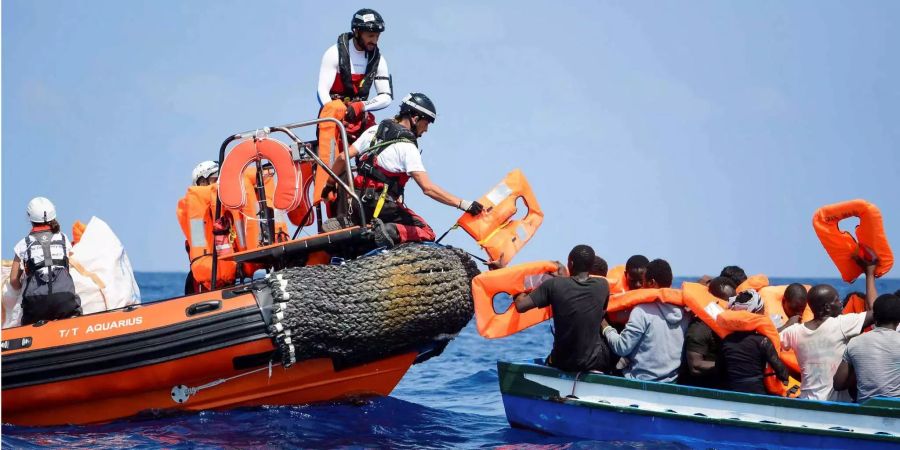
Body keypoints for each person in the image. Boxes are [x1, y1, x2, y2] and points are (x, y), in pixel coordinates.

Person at [323, 93, 483, 246]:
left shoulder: (374, 131)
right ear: (415, 118)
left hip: (355, 201)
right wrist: (462, 204)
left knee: (375, 212)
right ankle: (389, 230)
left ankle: (348, 221)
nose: (426, 130)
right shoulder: (407, 147)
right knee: (426, 231)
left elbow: (343, 158)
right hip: (379, 205)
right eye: (426, 123)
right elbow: (428, 188)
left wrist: (329, 185)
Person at [780, 256, 878, 401]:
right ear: (827, 307)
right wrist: (870, 273)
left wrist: (788, 323)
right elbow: (877, 311)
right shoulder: (841, 324)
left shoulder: (794, 332)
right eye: (837, 300)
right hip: (836, 404)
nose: (840, 304)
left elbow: (769, 338)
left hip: (807, 401)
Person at [512, 245, 613, 373]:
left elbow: (520, 306)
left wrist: (516, 289)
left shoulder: (553, 285)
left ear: (570, 263)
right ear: (591, 265)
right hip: (594, 362)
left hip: (562, 362)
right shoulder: (603, 286)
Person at [601, 259, 689, 382]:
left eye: (642, 282)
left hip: (639, 380)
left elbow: (621, 347)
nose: (639, 286)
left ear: (651, 282)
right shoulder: (686, 313)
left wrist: (605, 327)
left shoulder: (641, 311)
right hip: (672, 381)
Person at [317, 8, 392, 139]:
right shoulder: (333, 53)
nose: (375, 41)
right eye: (370, 36)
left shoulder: (379, 60)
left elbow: (386, 97)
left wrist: (361, 106)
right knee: (331, 155)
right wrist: (339, 115)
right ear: (357, 32)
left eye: (377, 36)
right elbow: (322, 90)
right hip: (334, 118)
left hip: (360, 118)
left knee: (380, 143)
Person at [9, 197, 82, 325]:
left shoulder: (23, 244)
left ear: (29, 217)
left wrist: (24, 287)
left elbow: (13, 280)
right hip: (64, 299)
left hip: (35, 304)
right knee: (75, 316)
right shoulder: (63, 238)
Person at [177, 161, 238, 294]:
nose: (218, 186)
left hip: (230, 273)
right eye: (215, 180)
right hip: (203, 278)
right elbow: (198, 240)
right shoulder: (195, 211)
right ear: (202, 182)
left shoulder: (228, 205)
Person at [718, 289, 790, 395]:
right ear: (756, 313)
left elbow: (719, 369)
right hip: (757, 392)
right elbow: (781, 371)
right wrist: (786, 378)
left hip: (732, 390)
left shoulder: (726, 342)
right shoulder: (763, 341)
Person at [833, 293, 900, 403]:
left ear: (874, 317)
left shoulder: (855, 342)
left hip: (866, 409)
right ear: (899, 320)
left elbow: (838, 384)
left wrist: (861, 367)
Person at [679, 276, 735, 389]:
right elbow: (695, 366)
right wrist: (731, 366)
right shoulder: (699, 328)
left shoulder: (732, 325)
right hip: (700, 390)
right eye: (727, 301)